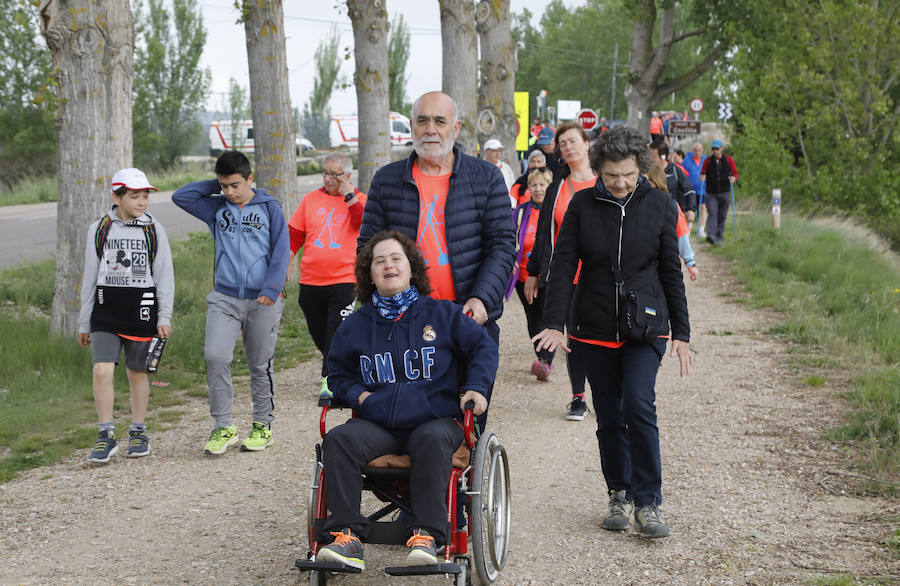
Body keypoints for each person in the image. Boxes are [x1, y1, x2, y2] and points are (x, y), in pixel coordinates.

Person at [533, 125, 692, 538]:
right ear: (598, 169)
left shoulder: (660, 205)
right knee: (609, 418)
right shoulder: (582, 205)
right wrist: (553, 321)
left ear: (640, 167)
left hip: (645, 327)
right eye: (610, 175)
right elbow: (564, 264)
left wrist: (683, 333)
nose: (619, 183)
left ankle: (648, 502)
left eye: (627, 174)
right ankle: (618, 493)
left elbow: (671, 272)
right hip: (593, 327)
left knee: (639, 407)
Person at [316, 231, 498, 569]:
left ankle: (427, 535)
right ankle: (346, 537)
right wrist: (360, 395)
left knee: (430, 439)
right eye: (379, 261)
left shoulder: (443, 315)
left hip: (435, 420)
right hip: (377, 422)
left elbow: (483, 347)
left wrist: (477, 387)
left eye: (395, 258)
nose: (388, 265)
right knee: (339, 439)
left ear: (411, 267)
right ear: (369, 274)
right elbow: (337, 373)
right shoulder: (355, 326)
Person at [358, 91, 516, 348]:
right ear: (411, 127)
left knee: (472, 389)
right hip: (405, 319)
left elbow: (502, 245)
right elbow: (367, 248)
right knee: (408, 390)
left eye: (440, 121)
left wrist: (483, 298)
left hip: (468, 316)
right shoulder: (386, 181)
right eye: (422, 121)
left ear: (456, 128)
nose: (430, 129)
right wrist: (383, 302)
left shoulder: (485, 177)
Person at [172, 151, 290, 455]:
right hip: (224, 297)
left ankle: (262, 425)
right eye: (223, 186)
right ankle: (223, 426)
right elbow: (181, 197)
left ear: (251, 179)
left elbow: (281, 251)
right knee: (215, 356)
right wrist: (218, 182)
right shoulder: (216, 207)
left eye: (235, 185)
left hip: (263, 299)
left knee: (259, 365)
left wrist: (272, 288)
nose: (228, 192)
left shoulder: (270, 208)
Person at [78, 168, 174, 463]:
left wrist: (164, 317)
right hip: (106, 312)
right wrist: (85, 321)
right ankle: (106, 434)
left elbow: (165, 276)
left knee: (136, 372)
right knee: (102, 370)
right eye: (134, 196)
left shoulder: (153, 230)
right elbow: (89, 277)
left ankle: (138, 431)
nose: (142, 201)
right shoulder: (99, 229)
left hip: (142, 312)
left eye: (145, 195)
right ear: (116, 197)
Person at [524, 122, 596, 420]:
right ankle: (578, 397)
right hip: (566, 276)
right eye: (562, 143)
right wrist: (533, 272)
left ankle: (609, 395)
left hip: (601, 276)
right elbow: (544, 232)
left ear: (587, 143)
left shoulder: (605, 182)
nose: (568, 147)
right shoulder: (557, 188)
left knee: (603, 337)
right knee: (575, 338)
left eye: (573, 141)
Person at [288, 152, 367, 399]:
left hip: (345, 278)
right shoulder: (310, 200)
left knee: (336, 330)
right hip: (311, 279)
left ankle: (329, 381)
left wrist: (349, 196)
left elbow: (362, 223)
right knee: (319, 331)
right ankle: (344, 364)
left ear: (347, 175)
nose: (328, 178)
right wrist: (286, 262)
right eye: (325, 173)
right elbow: (294, 235)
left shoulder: (359, 199)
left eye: (334, 174)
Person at [506, 167, 556, 380]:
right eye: (534, 185)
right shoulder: (519, 213)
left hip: (548, 275)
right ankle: (541, 357)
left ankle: (545, 361)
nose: (537, 189)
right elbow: (508, 238)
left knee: (547, 316)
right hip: (523, 277)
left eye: (542, 185)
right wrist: (510, 260)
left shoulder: (555, 212)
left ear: (549, 187)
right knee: (533, 317)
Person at [646, 166, 699, 281]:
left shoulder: (672, 205)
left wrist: (690, 263)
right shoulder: (638, 204)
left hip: (667, 258)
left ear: (655, 182)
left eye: (646, 180)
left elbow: (682, 235)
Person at [649, 141, 697, 226]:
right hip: (652, 216)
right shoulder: (647, 172)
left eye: (653, 156)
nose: (650, 159)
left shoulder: (675, 170)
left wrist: (690, 209)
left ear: (663, 156)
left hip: (673, 217)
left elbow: (689, 190)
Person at [700, 139, 738, 245]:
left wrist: (733, 178)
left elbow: (735, 173)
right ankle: (711, 235)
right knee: (712, 213)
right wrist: (702, 177)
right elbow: (703, 172)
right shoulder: (708, 161)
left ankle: (718, 237)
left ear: (722, 148)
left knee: (722, 215)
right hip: (711, 192)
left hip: (725, 192)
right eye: (713, 149)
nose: (715, 150)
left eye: (717, 148)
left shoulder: (729, 160)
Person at [681, 142, 707, 238]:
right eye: (695, 150)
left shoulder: (706, 160)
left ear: (702, 150)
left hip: (702, 189)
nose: (697, 152)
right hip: (690, 189)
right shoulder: (687, 160)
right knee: (690, 209)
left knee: (703, 208)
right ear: (693, 150)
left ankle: (701, 229)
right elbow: (682, 172)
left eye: (699, 150)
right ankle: (688, 227)